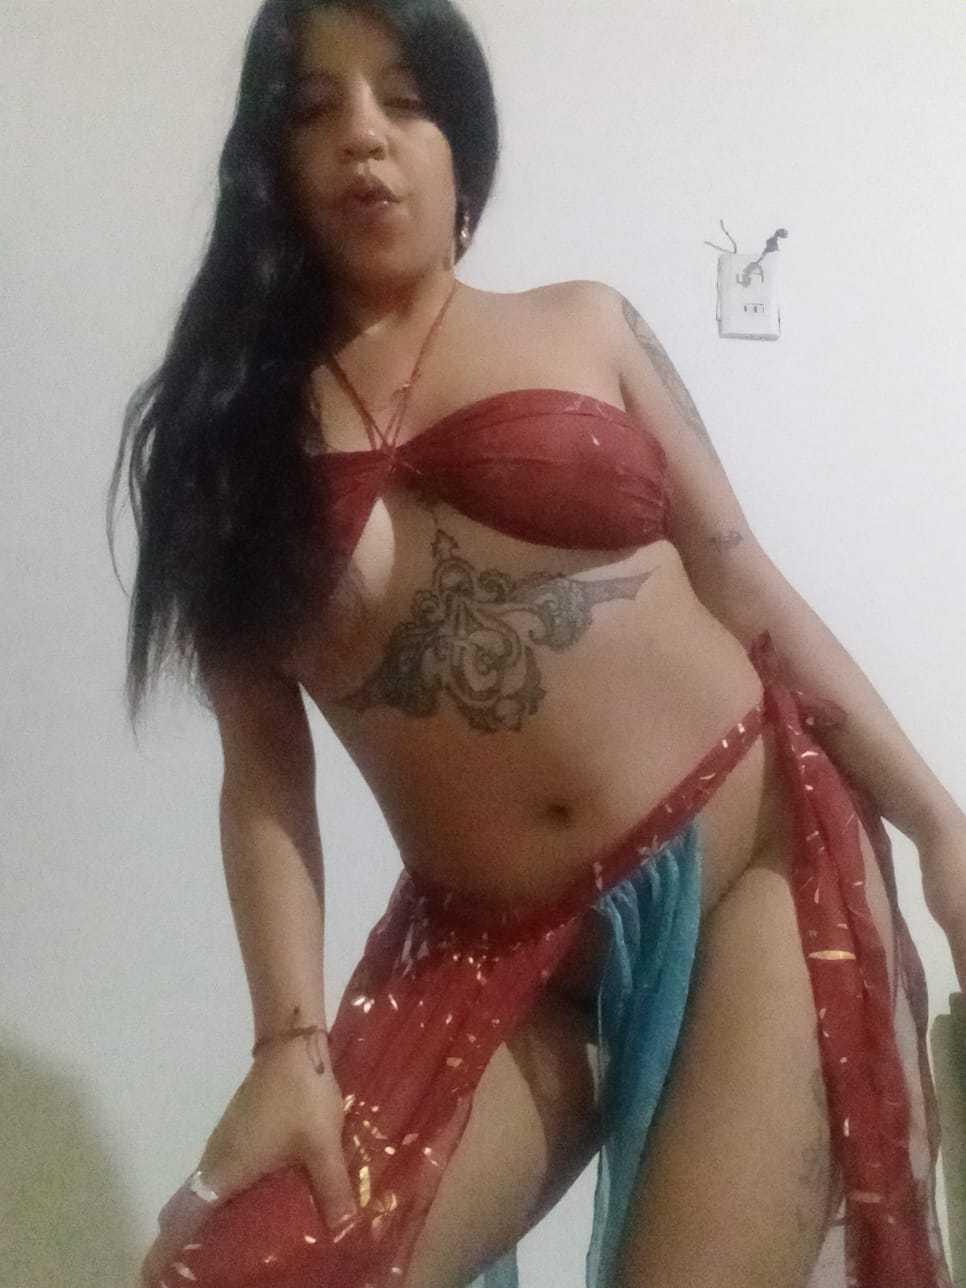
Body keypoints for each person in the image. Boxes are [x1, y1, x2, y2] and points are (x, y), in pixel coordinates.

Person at [108, 2, 966, 1286]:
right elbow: (264, 770)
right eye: (315, 109)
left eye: (406, 100)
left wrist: (942, 828)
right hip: (497, 947)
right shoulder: (220, 446)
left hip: (751, 864)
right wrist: (287, 1045)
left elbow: (746, 588)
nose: (363, 137)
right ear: (268, 162)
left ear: (462, 141)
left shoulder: (589, 325)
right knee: (234, 1270)